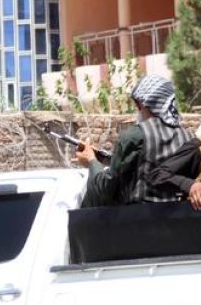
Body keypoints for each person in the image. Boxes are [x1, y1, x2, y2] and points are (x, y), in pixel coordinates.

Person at [73, 75, 192, 207]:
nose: (137, 109)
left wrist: (91, 161)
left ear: (144, 103)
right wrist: (105, 160)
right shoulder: (189, 138)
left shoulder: (135, 136)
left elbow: (106, 190)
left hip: (137, 222)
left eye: (138, 104)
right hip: (178, 221)